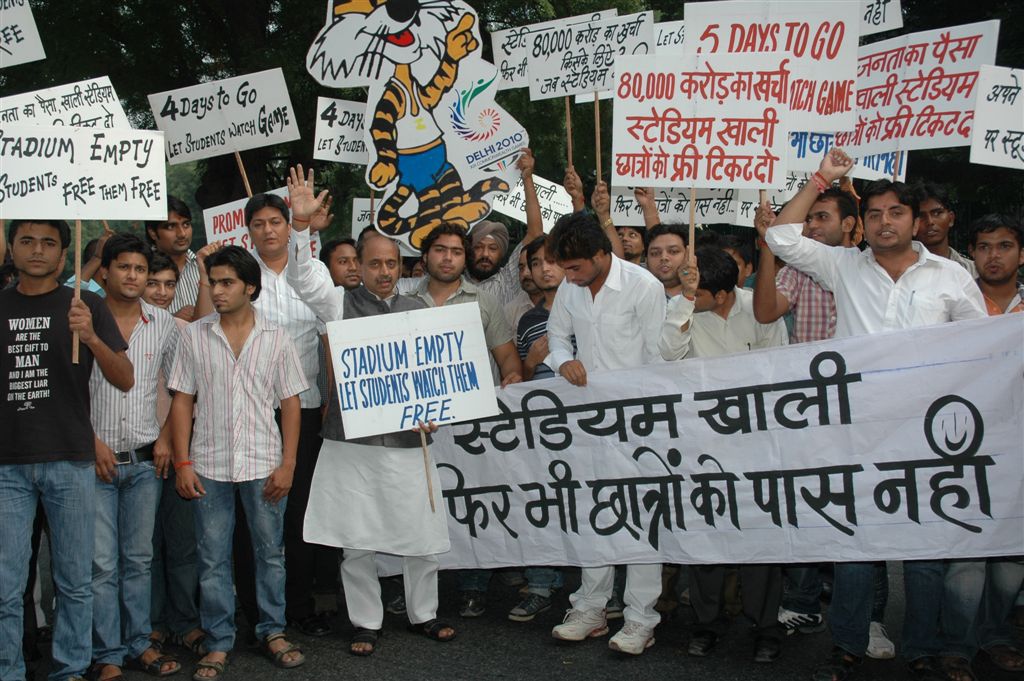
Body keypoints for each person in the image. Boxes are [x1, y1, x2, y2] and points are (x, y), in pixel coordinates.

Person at [764, 148, 986, 681]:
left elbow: (981, 347)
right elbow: (779, 237)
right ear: (862, 224)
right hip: (855, 430)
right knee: (856, 542)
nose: (886, 222)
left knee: (927, 546)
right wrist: (823, 179)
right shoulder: (842, 265)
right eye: (877, 214)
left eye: (898, 213)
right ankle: (848, 644)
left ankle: (923, 647)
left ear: (917, 220)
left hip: (927, 434)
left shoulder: (951, 278)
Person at [284, 176, 456, 653]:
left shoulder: (419, 309)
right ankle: (366, 621)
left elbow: (435, 376)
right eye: (375, 262)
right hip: (351, 443)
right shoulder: (337, 304)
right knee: (355, 539)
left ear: (403, 266)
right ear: (357, 265)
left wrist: (436, 409)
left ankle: (424, 614)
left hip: (407, 442)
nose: (384, 271)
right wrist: (300, 227)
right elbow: (302, 277)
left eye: (392, 263)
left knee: (421, 533)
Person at [753, 183, 893, 651]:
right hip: (811, 409)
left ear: (851, 225)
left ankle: (871, 618)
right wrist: (768, 248)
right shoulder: (800, 269)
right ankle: (804, 601)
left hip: (866, 409)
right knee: (809, 502)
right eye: (808, 219)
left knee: (868, 513)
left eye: (821, 218)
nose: (811, 226)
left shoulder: (876, 271)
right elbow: (768, 310)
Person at [196, 191, 339, 639]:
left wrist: (335, 394)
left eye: (276, 221)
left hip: (304, 407)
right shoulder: (235, 276)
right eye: (258, 223)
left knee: (294, 512)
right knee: (240, 519)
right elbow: (204, 329)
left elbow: (329, 336)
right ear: (248, 230)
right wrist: (205, 280)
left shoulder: (313, 273)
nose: (268, 230)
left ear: (288, 223)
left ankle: (297, 606)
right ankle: (249, 609)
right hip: (247, 411)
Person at [1, 219, 133, 681]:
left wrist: (92, 337)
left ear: (64, 254)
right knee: (6, 586)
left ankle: (71, 669)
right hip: (6, 466)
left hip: (71, 461)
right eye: (27, 241)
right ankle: (9, 670)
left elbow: (125, 377)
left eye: (49, 243)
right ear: (11, 247)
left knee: (75, 582)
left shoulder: (86, 305)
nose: (37, 250)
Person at [169, 246, 308, 679]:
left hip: (264, 462)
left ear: (250, 287)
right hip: (208, 463)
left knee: (270, 554)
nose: (218, 290)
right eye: (213, 282)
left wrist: (288, 464)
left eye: (227, 282)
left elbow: (290, 405)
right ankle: (218, 641)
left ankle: (272, 630)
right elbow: (181, 401)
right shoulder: (194, 335)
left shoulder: (276, 336)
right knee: (212, 558)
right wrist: (182, 462)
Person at [545, 212, 666, 655]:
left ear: (601, 254)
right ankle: (591, 607)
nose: (567, 275)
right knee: (593, 512)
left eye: (575, 267)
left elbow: (660, 358)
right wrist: (563, 363)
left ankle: (640, 618)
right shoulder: (570, 288)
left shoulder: (643, 287)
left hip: (639, 424)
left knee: (640, 519)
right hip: (585, 423)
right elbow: (556, 337)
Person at [659, 247, 788, 663]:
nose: (692, 297)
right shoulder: (684, 309)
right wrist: (683, 301)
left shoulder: (760, 311)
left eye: (699, 293)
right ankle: (705, 622)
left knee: (760, 542)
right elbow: (668, 354)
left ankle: (765, 627)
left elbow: (778, 372)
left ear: (723, 293)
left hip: (756, 446)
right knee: (708, 538)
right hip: (704, 447)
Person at [410, 221, 523, 616]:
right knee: (419, 503)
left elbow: (507, 358)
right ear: (426, 257)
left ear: (466, 257)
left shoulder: (483, 302)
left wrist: (512, 375)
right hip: (416, 423)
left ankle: (473, 586)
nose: (448, 258)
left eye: (457, 252)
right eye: (441, 250)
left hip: (471, 424)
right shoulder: (404, 299)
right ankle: (411, 585)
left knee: (473, 500)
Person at [88, 234, 181, 681]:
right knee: (101, 564)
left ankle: (139, 643)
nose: (133, 276)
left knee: (138, 559)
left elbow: (180, 387)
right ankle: (107, 653)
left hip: (146, 462)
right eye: (123, 267)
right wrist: (90, 441)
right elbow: (65, 393)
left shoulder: (162, 323)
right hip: (93, 462)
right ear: (104, 271)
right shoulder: (81, 319)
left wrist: (165, 437)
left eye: (140, 270)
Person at [936, 215, 1024, 681]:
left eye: (1005, 245)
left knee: (1011, 564)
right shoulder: (956, 301)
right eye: (985, 246)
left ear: (1021, 254)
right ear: (973, 253)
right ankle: (956, 645)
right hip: (966, 447)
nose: (994, 255)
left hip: (1021, 450)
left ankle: (997, 636)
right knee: (967, 557)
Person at [143, 253, 208, 656]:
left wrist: (169, 440)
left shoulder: (183, 329)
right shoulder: (120, 328)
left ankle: (185, 622)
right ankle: (149, 625)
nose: (162, 292)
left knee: (184, 545)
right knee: (144, 548)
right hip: (137, 452)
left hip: (179, 449)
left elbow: (184, 393)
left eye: (169, 284)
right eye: (154, 283)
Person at [507, 236, 567, 622]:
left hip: (591, 428)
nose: (544, 269)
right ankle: (541, 585)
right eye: (536, 263)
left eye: (552, 260)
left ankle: (607, 594)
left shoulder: (590, 307)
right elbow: (524, 377)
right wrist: (530, 363)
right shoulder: (528, 320)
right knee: (540, 505)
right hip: (543, 431)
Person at [145, 196, 200, 320]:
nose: (181, 233)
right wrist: (172, 320)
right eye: (171, 227)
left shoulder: (205, 266)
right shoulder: (141, 270)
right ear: (153, 232)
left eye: (186, 224)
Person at [916, 183, 977, 277]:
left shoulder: (972, 270)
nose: (930, 221)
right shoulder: (899, 268)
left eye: (937, 213)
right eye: (921, 216)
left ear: (951, 219)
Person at [645, 223, 690, 300]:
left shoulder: (705, 296)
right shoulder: (634, 295)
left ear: (688, 255)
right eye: (655, 253)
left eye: (673, 251)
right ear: (646, 260)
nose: (664, 257)